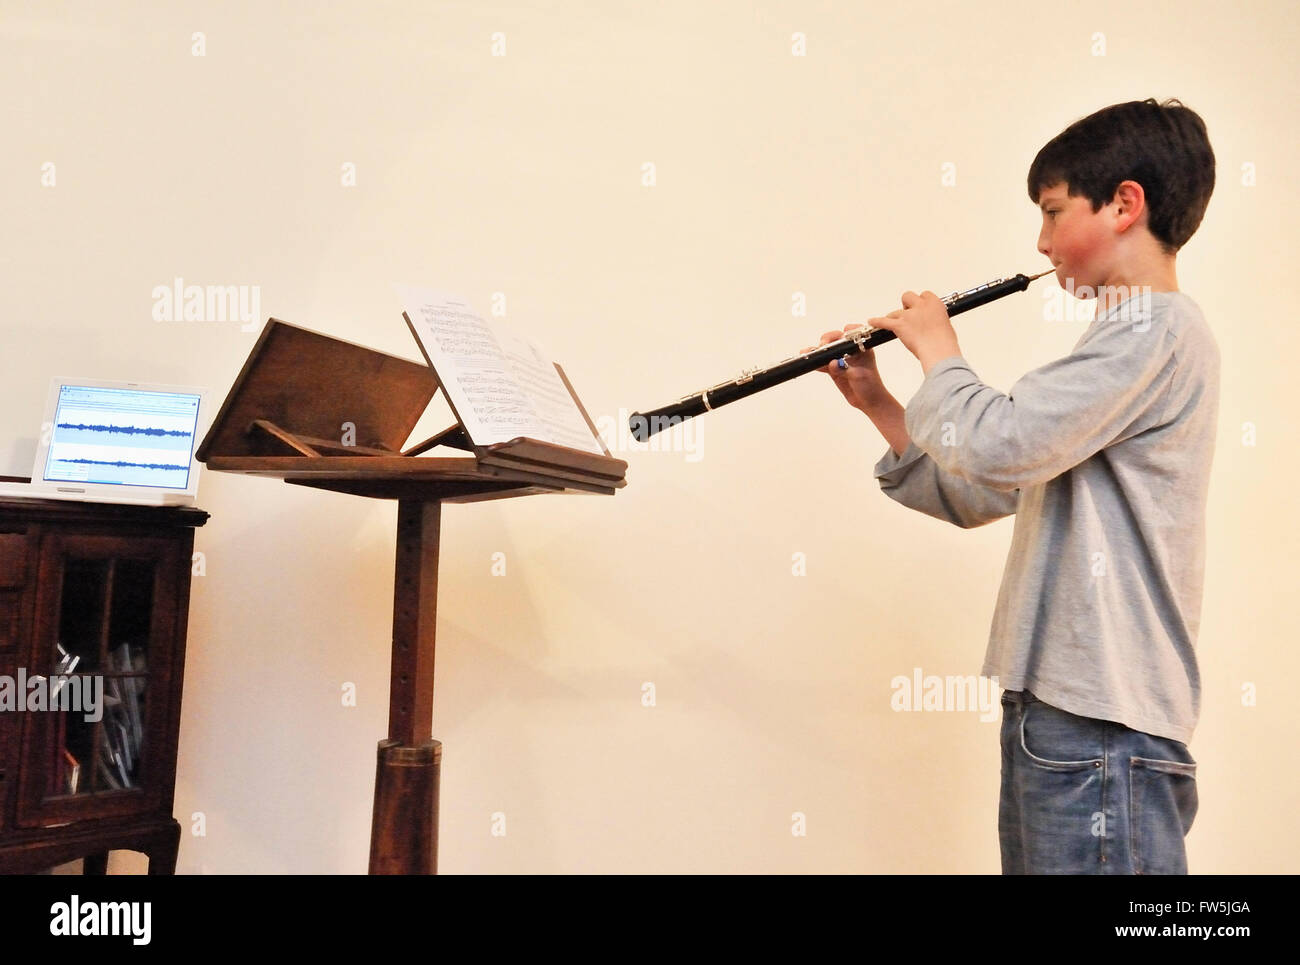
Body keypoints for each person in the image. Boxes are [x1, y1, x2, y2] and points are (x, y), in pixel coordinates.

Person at [805, 99, 1218, 873]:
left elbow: (998, 445)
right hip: (1068, 718)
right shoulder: (1118, 340)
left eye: (1054, 211)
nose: (1041, 240)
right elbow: (984, 487)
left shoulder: (1154, 329)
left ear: (1125, 204)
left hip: (1102, 725)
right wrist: (881, 404)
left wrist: (939, 349)